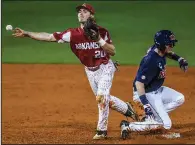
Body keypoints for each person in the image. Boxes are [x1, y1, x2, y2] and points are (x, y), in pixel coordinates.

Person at [12, 3, 139, 140]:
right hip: (89, 71)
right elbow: (49, 37)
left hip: (105, 67)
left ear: (91, 15)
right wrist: (27, 34)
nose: (81, 13)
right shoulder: (72, 34)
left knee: (101, 97)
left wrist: (98, 40)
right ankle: (127, 109)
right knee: (104, 99)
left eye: (85, 11)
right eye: (79, 11)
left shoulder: (102, 31)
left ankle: (102, 131)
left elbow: (112, 51)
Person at [120, 30, 188, 140]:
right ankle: (128, 126)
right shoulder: (151, 60)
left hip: (157, 89)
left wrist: (179, 59)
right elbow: (139, 83)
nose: (172, 46)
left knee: (180, 98)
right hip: (146, 93)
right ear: (161, 45)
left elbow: (168, 53)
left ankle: (153, 117)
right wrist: (146, 106)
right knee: (165, 124)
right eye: (169, 44)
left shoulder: (159, 50)